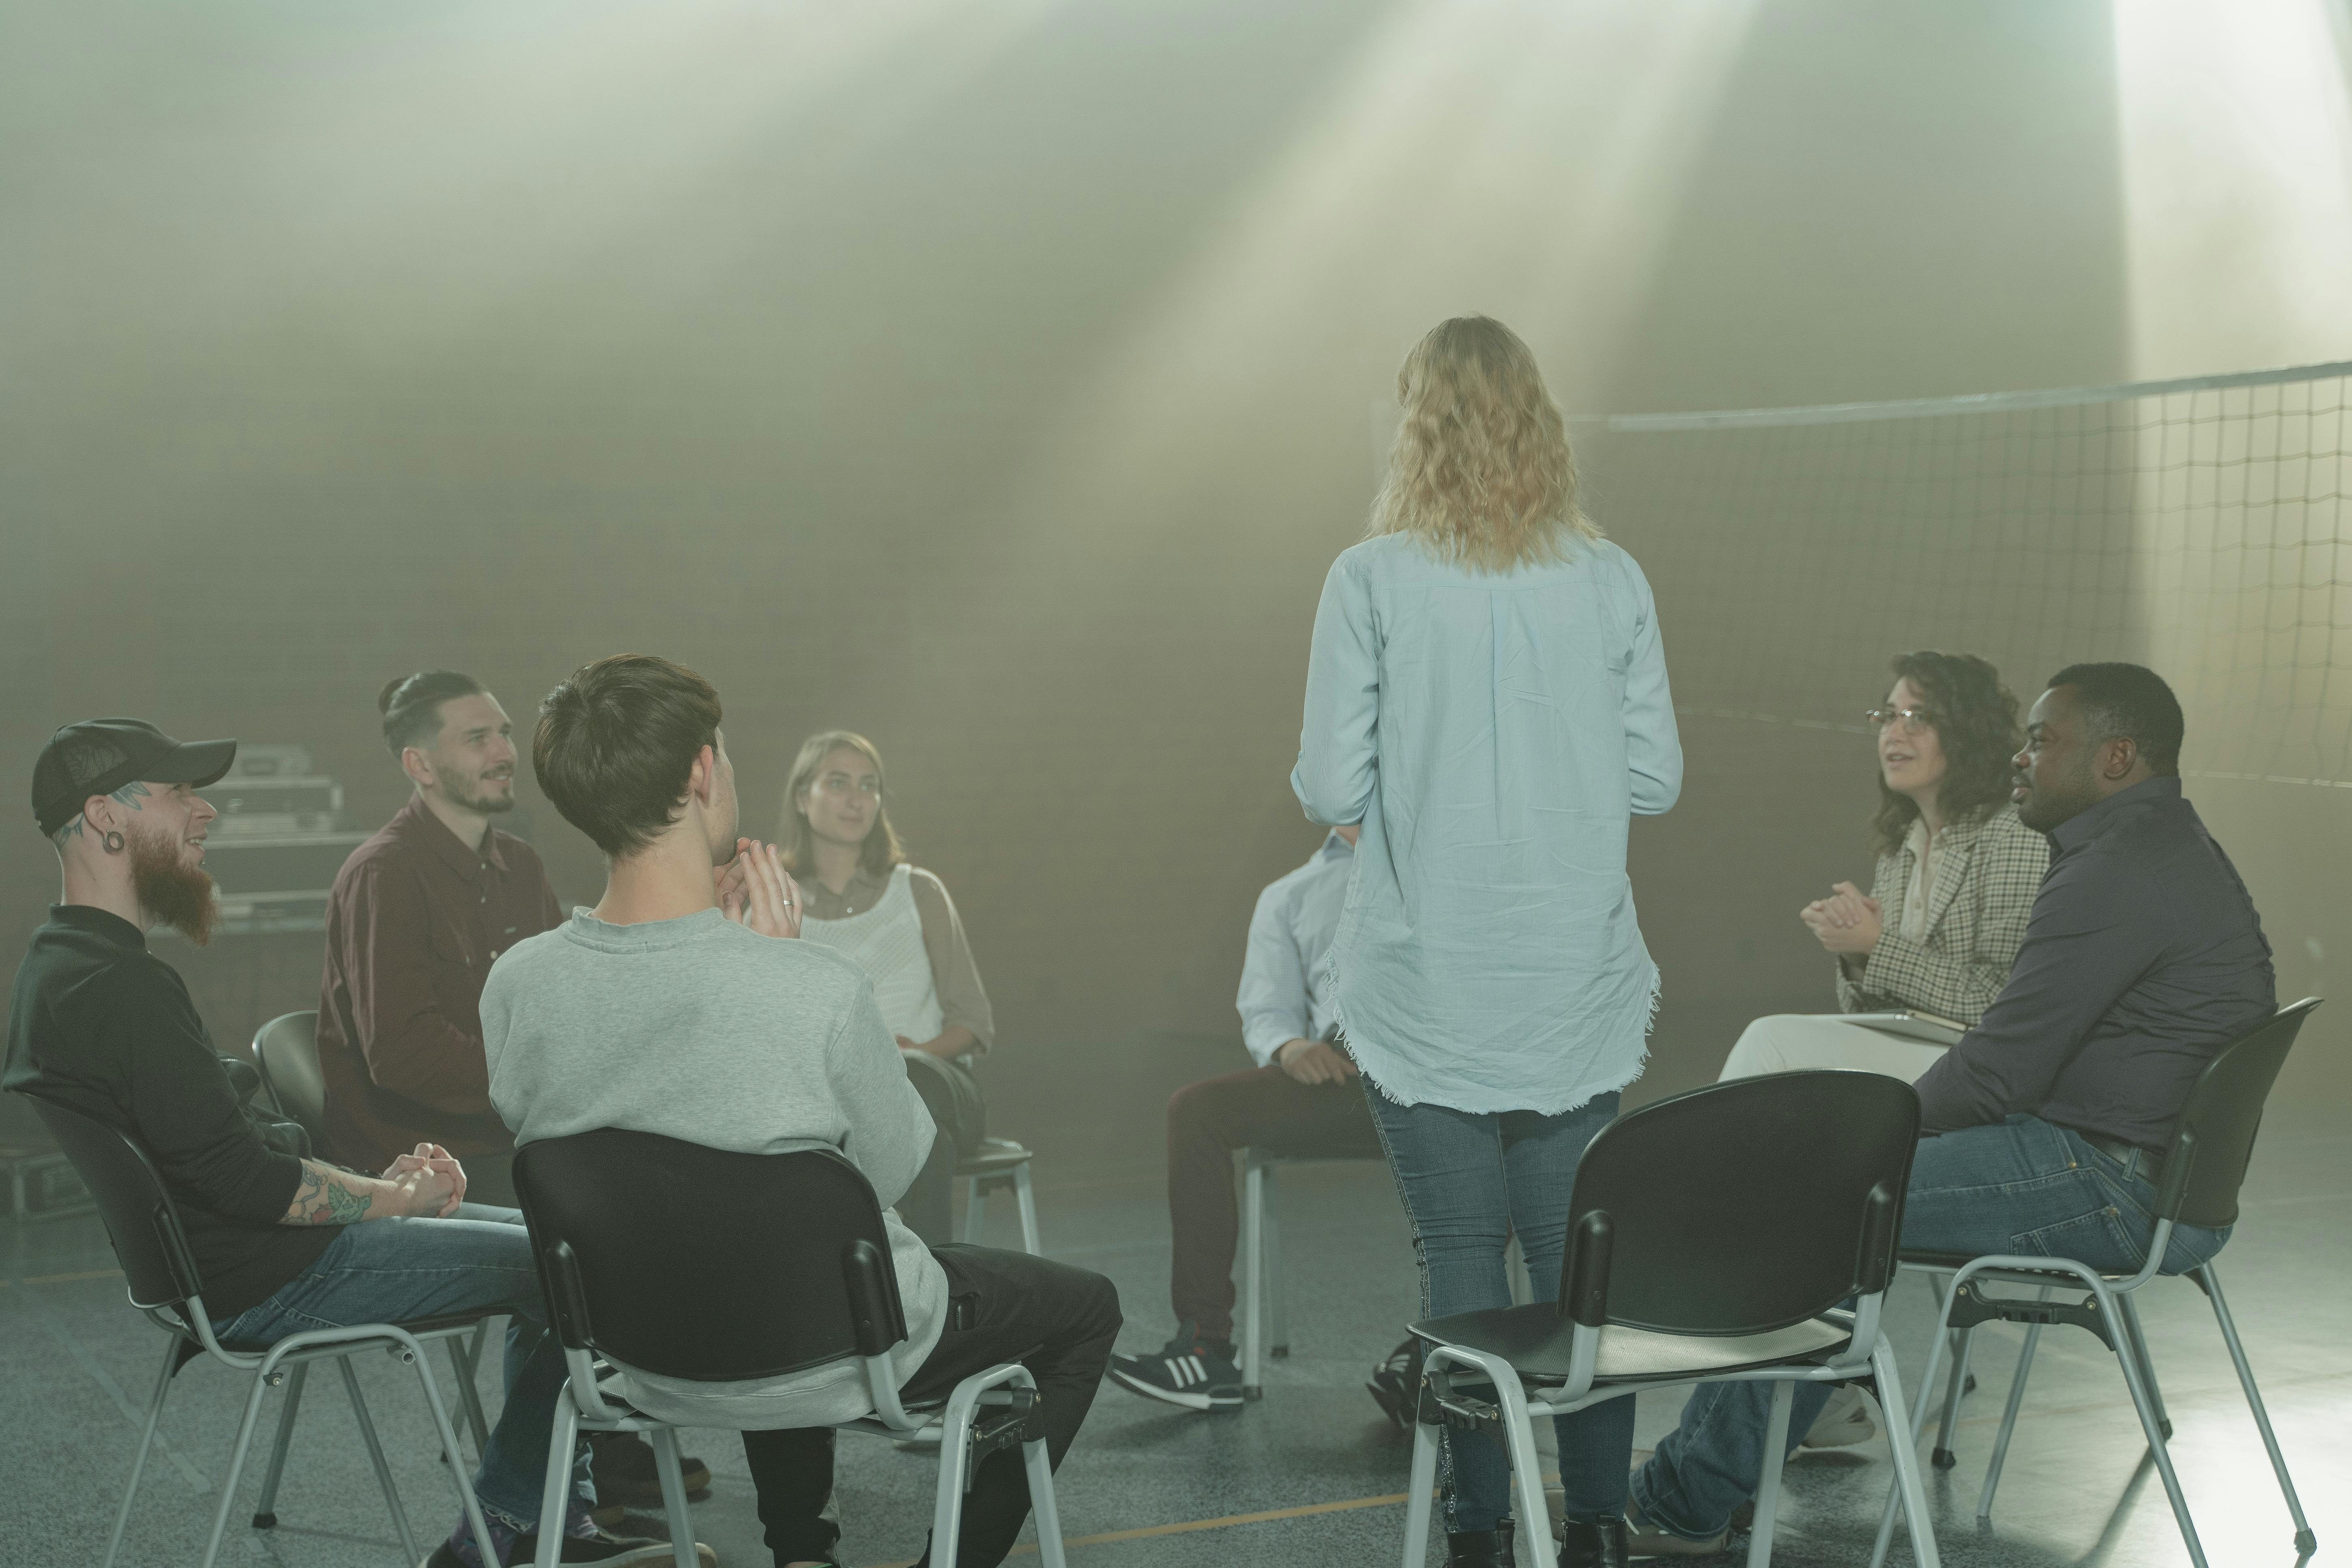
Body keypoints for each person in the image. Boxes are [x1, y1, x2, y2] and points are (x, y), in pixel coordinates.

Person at [4, 718, 693, 1568]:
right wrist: (398, 1198)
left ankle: (552, 1514)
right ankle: (520, 1522)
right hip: (272, 1275)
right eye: (182, 793)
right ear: (107, 815)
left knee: (563, 1245)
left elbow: (230, 1153)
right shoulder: (121, 987)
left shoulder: (60, 966)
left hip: (236, 1264)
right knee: (574, 1266)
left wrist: (372, 1184)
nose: (206, 813)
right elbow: (248, 1183)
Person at [482, 655, 1120, 1568]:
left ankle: (802, 1552)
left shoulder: (518, 983)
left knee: (758, 1254)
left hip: (642, 1352)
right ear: (703, 771)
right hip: (833, 1347)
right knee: (1085, 1309)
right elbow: (893, 1169)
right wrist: (774, 972)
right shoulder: (813, 987)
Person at [1625, 663, 2276, 1557]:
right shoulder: (2159, 845)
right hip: (2143, 1173)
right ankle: (1726, 1463)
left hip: (2108, 1182)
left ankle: (1684, 1496)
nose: (2023, 757)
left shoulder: (2114, 871)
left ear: (2116, 757)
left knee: (1832, 1200)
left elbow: (1994, 1075)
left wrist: (1863, 1143)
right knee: (1834, 1182)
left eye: (2044, 741)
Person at [1293, 316, 1683, 1568]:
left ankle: (1476, 1531)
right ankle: (1603, 1526)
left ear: (1415, 422)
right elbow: (1658, 779)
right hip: (1573, 979)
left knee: (1462, 1258)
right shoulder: (1613, 577)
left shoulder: (1369, 578)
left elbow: (1323, 783)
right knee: (1584, 1269)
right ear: (1542, 419)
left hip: (1425, 978)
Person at [316, 671, 706, 1515]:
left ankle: (585, 1442)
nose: (502, 753)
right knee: (586, 1233)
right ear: (420, 764)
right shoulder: (383, 874)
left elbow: (552, 1007)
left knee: (653, 1176)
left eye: (502, 732)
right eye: (476, 738)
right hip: (417, 1157)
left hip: (508, 1135)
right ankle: (560, 1468)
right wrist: (544, 1094)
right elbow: (406, 1057)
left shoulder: (518, 862)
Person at [1107, 823, 1383, 1412]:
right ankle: (1207, 1350)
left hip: (1438, 1080)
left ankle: (1452, 1357)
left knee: (1518, 1104)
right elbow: (1267, 1008)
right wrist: (1290, 1047)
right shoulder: (1291, 894)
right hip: (1341, 1079)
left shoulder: (1451, 863)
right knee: (1196, 1110)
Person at [1721, 652, 2048, 1088]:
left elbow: (2000, 1000)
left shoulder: (2016, 832)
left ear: (1970, 732)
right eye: (1889, 716)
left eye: (1917, 716)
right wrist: (1857, 955)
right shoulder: (1901, 842)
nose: (1894, 733)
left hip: (1986, 1065)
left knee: (1771, 1041)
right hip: (1924, 1052)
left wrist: (1878, 946)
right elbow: (1870, 1016)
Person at [777, 731, 994, 1245]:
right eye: (838, 782)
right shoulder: (773, 902)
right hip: (833, 1100)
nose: (857, 799)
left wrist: (914, 1053)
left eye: (869, 786)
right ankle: (926, 1296)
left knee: (909, 1085)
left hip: (935, 1082)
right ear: (803, 797)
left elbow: (974, 1023)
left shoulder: (918, 890)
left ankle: (923, 1291)